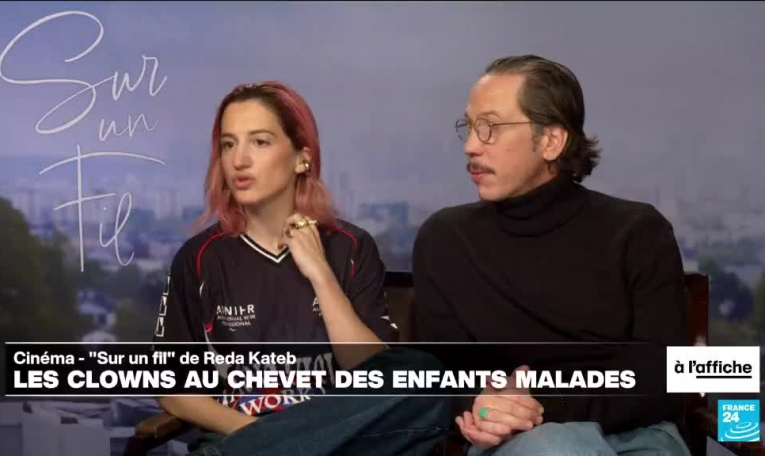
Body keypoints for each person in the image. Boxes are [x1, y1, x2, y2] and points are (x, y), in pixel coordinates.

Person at [412, 55, 690, 455]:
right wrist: (478, 407)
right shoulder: (445, 240)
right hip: (514, 440)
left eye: (490, 128)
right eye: (469, 127)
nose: (471, 146)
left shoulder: (638, 232)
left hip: (639, 437)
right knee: (552, 447)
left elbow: (661, 380)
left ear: (551, 141)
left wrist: (542, 405)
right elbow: (438, 376)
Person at [153, 81, 449, 456]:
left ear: (301, 158)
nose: (239, 160)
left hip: (345, 442)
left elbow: (374, 373)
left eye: (260, 142)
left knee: (423, 376)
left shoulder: (350, 247)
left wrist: (320, 274)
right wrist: (271, 438)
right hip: (240, 443)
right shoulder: (199, 258)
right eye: (228, 144)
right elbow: (173, 389)